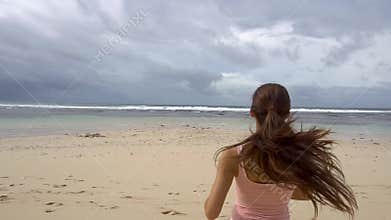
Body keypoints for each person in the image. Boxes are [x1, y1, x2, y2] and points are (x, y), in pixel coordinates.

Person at [204, 83, 357, 220]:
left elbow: (211, 213)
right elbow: (303, 194)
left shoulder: (232, 155)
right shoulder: (296, 153)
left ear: (252, 113)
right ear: (287, 115)